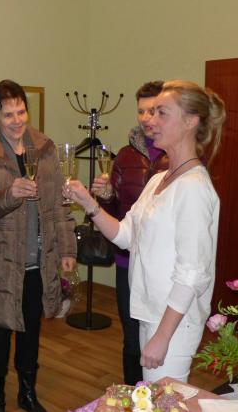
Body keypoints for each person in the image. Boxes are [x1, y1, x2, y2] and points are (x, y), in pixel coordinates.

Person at [65, 80, 225, 383]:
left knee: (163, 405)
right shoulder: (159, 181)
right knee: (153, 403)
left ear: (190, 122)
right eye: (151, 112)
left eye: (162, 113)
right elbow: (126, 235)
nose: (151, 120)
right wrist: (88, 203)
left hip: (174, 324)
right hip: (150, 312)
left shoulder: (193, 188)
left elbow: (192, 273)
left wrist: (163, 337)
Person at [0, 79, 77, 412]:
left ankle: (27, 393)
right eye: (8, 114)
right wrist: (10, 194)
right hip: (2, 263)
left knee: (31, 331)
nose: (17, 120)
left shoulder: (44, 149)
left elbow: (59, 205)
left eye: (21, 112)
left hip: (38, 261)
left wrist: (67, 249)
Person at [91, 81, 170, 386]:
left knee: (160, 338)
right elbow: (115, 212)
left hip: (162, 265)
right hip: (128, 260)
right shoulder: (124, 155)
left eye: (154, 111)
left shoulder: (178, 155)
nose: (147, 118)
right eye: (141, 111)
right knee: (131, 338)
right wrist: (105, 196)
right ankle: (133, 398)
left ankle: (159, 398)